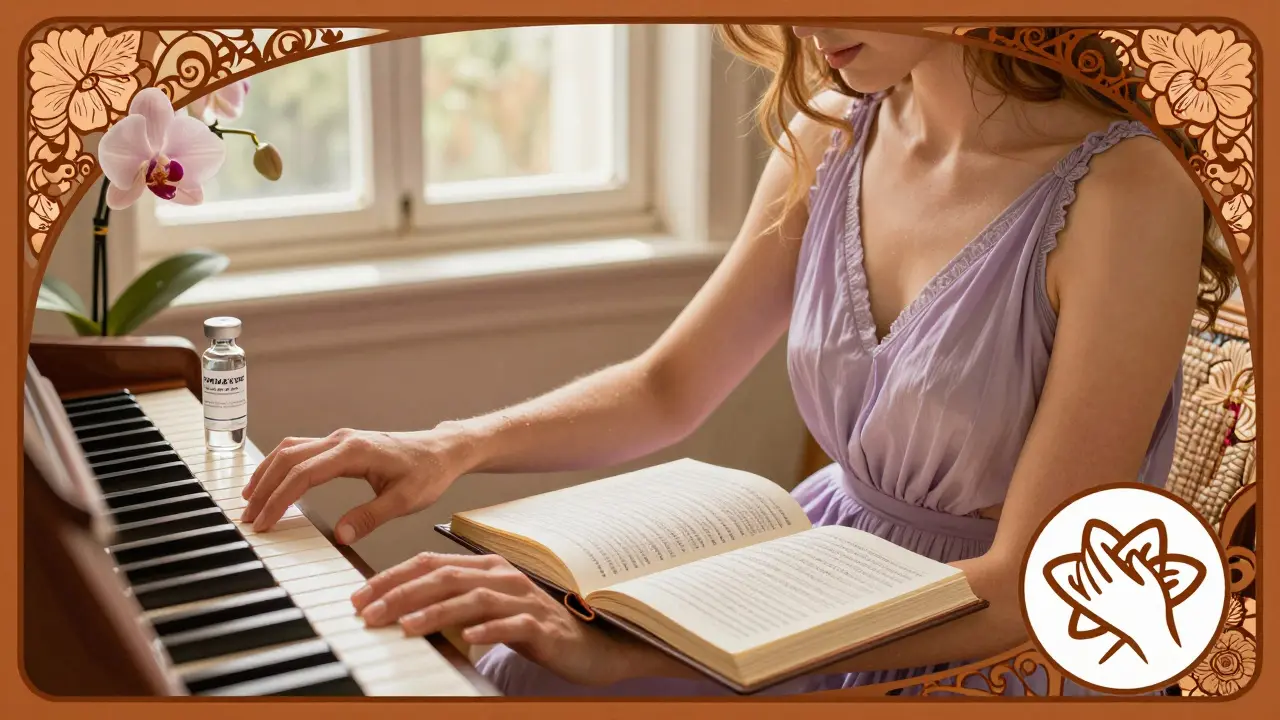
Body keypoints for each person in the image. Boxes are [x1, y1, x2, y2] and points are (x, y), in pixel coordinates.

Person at [240, 25, 1234, 696]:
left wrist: (630, 646)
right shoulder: (833, 130)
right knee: (517, 660)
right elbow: (669, 387)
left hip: (972, 638)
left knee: (546, 672)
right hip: (811, 569)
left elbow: (1031, 583)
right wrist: (450, 444)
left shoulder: (1128, 191)